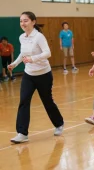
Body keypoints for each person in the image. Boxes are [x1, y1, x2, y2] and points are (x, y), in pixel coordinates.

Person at [8, 11, 64, 144]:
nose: (23, 23)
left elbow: (47, 53)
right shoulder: (22, 37)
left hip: (44, 74)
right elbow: (23, 53)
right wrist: (15, 64)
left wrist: (33, 59)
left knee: (47, 101)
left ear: (33, 22)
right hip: (29, 75)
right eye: (21, 21)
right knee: (24, 101)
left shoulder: (39, 37)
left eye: (26, 20)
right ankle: (22, 133)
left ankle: (59, 123)